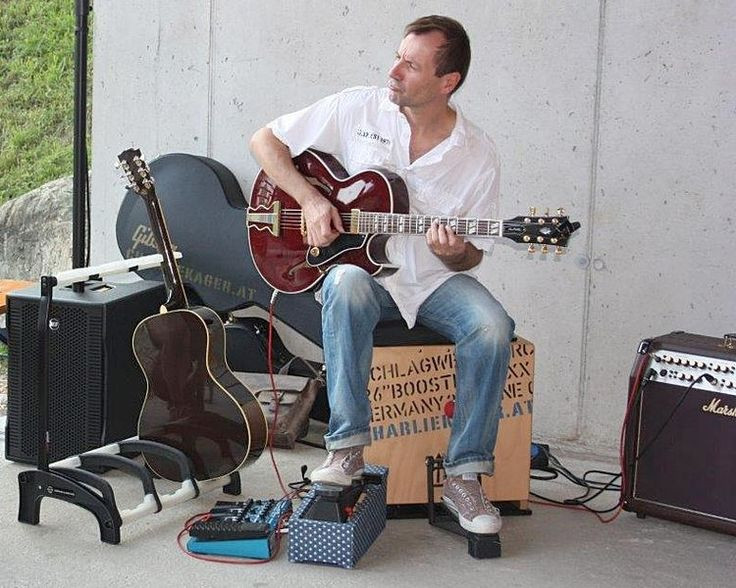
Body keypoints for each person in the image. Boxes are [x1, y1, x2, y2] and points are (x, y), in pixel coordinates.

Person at [249, 15, 514, 535]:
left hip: (432, 280)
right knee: (345, 283)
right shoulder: (360, 107)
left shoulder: (478, 155)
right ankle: (347, 449)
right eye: (397, 56)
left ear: (447, 82)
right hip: (366, 276)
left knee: (492, 327)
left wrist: (457, 252)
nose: (393, 70)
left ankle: (464, 476)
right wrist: (308, 199)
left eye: (410, 65)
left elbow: (473, 258)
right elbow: (264, 140)